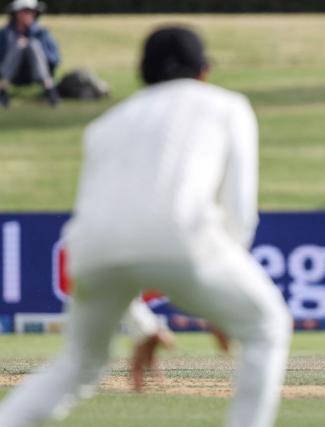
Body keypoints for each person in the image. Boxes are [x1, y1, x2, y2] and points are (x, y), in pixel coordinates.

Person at [0, 25, 291, 427]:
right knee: (267, 326)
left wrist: (141, 324)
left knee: (78, 364)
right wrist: (223, 302)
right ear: (204, 71)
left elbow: (98, 229)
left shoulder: (105, 124)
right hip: (184, 240)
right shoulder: (228, 106)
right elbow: (239, 211)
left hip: (90, 251)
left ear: (143, 72)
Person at [0, 0, 60, 107]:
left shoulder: (42, 33)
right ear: (16, 13)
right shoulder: (5, 34)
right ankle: (2, 89)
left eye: (31, 12)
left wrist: (31, 46)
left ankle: (49, 90)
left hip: (35, 74)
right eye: (24, 12)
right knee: (19, 45)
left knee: (33, 44)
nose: (28, 15)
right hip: (12, 74)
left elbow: (54, 58)